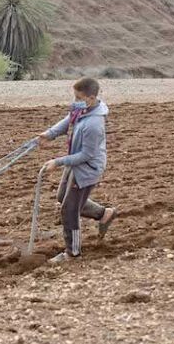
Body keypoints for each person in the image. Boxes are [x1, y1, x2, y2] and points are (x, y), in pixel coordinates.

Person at [38, 77, 118, 263]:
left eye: (78, 97)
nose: (75, 101)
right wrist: (49, 134)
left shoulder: (94, 125)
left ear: (90, 98)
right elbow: (68, 121)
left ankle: (72, 254)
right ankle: (104, 213)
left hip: (87, 169)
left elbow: (86, 155)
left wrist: (58, 162)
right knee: (61, 197)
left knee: (69, 210)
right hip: (75, 163)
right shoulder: (82, 109)